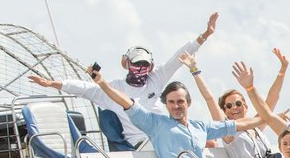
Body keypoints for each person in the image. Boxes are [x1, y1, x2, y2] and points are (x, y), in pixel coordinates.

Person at [27, 12, 218, 150]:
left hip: (165, 136)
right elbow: (82, 88)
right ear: (126, 64)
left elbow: (178, 58)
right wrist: (51, 83)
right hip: (141, 144)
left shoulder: (156, 78)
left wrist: (206, 35)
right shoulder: (113, 88)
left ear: (151, 66)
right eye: (136, 64)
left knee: (210, 143)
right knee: (196, 143)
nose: (140, 68)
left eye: (144, 64)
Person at [91, 69, 277, 158]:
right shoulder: (156, 124)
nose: (176, 106)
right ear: (166, 105)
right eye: (171, 102)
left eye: (180, 101)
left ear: (188, 103)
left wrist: (269, 118)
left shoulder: (200, 127)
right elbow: (127, 103)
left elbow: (240, 124)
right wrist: (103, 84)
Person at [180, 47, 290, 158]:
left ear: (245, 106)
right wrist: (194, 69)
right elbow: (209, 99)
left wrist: (283, 70)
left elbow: (272, 98)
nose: (234, 108)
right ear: (225, 112)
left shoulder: (257, 125)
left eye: (238, 103)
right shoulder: (227, 131)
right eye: (228, 106)